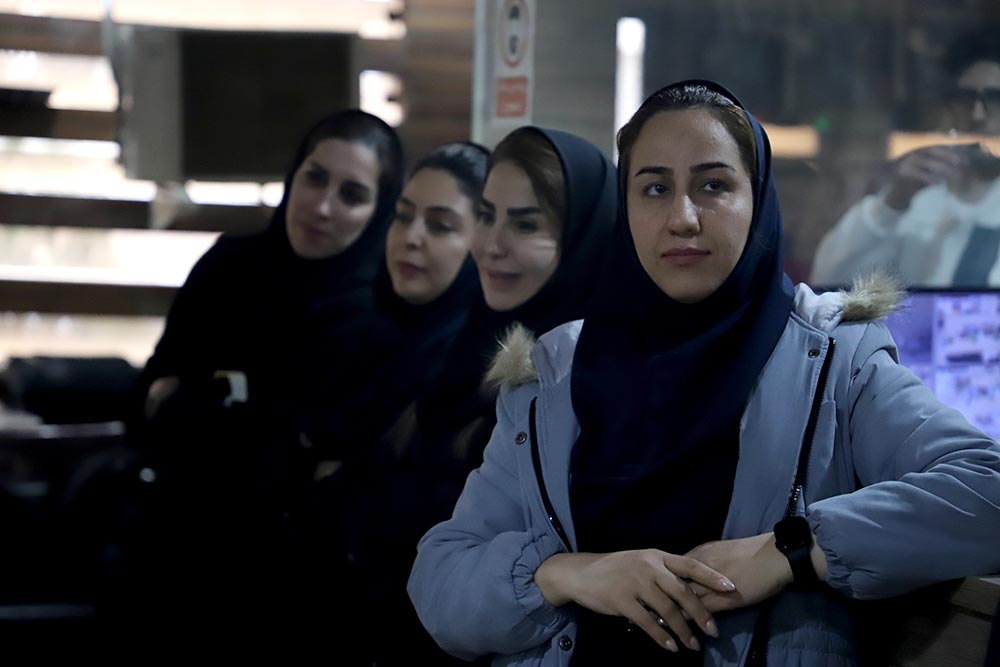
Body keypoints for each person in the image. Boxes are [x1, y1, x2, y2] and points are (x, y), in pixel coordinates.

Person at [408, 80, 1000, 666]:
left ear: (757, 195)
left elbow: (987, 488)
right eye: (655, 188)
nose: (683, 218)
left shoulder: (834, 358)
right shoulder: (553, 376)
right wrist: (568, 574)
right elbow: (439, 582)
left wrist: (792, 550)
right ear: (625, 206)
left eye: (713, 185)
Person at [337, 126, 618, 665]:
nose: (491, 244)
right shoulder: (465, 346)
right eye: (486, 216)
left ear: (584, 237)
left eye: (526, 224)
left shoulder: (583, 385)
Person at [123, 109, 404, 635]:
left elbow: (310, 459)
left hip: (291, 583)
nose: (322, 206)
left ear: (379, 211)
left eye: (352, 195)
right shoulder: (229, 266)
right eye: (314, 178)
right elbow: (145, 402)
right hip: (171, 548)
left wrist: (200, 399)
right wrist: (253, 417)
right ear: (293, 175)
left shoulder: (380, 316)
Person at [812, 29, 1000, 287]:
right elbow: (829, 279)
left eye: (995, 98)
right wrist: (893, 202)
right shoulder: (919, 199)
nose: (977, 115)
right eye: (965, 99)